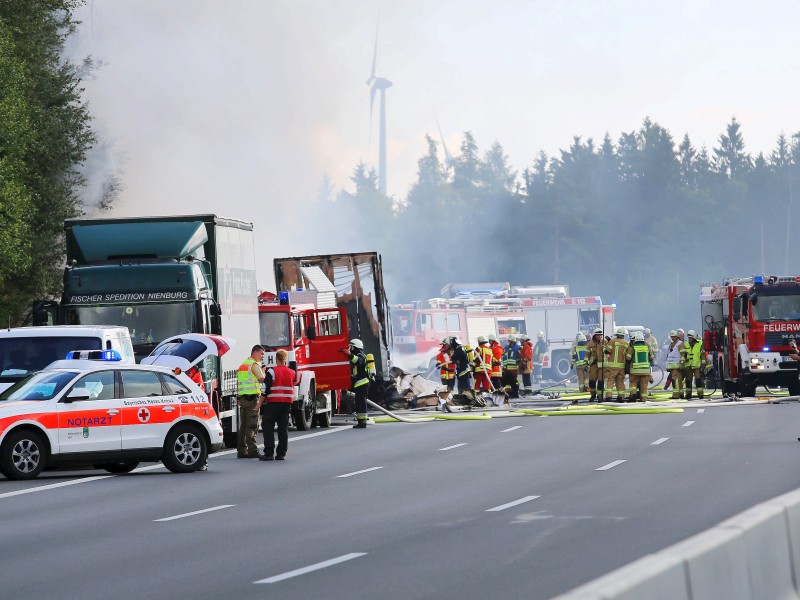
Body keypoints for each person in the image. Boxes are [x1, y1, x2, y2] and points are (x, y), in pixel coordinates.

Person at [258, 349, 294, 460]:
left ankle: (269, 453)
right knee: (283, 428)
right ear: (285, 359)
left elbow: (265, 390)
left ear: (276, 358)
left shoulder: (272, 372)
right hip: (287, 404)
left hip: (273, 403)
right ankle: (281, 453)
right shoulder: (292, 372)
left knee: (268, 426)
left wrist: (259, 404)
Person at [237, 345, 266, 458]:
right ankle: (253, 450)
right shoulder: (254, 365)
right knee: (252, 425)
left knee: (243, 426)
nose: (262, 356)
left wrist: (239, 397)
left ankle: (242, 451)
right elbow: (261, 380)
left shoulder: (243, 364)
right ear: (255, 352)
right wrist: (264, 372)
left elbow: (241, 383)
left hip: (243, 399)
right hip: (252, 399)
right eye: (261, 353)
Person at [341, 338, 370, 428]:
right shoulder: (357, 355)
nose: (350, 348)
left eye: (351, 347)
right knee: (358, 403)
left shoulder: (361, 355)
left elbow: (358, 361)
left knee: (361, 403)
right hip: (360, 384)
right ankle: (361, 422)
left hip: (363, 384)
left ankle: (362, 422)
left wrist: (349, 354)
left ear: (355, 347)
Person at [626, 331, 654, 402]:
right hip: (645, 371)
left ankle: (633, 395)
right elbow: (651, 358)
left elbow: (628, 358)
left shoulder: (632, 347)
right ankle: (643, 399)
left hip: (635, 370)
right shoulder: (647, 347)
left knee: (633, 384)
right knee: (644, 386)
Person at [603, 327, 629, 401]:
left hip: (612, 366)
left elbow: (607, 351)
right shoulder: (626, 343)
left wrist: (606, 346)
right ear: (623, 335)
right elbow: (628, 356)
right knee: (620, 381)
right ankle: (621, 396)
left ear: (617, 334)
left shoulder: (613, 341)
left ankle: (608, 396)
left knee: (610, 380)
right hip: (621, 367)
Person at [684, 330, 708, 400]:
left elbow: (703, 355)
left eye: (690, 337)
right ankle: (688, 394)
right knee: (688, 381)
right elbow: (684, 354)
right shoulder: (686, 344)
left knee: (698, 380)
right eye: (688, 337)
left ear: (694, 338)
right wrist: (684, 360)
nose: (689, 339)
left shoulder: (700, 344)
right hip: (689, 366)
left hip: (697, 366)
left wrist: (703, 365)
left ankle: (700, 394)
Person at [665, 330, 686, 399]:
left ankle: (676, 395)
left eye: (674, 337)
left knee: (675, 380)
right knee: (678, 380)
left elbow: (683, 354)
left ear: (677, 336)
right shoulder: (672, 344)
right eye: (671, 337)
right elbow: (670, 355)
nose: (672, 338)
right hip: (672, 365)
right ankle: (681, 394)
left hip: (677, 365)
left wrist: (682, 364)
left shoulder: (680, 344)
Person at [585, 328, 605, 401]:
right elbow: (587, 355)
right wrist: (585, 364)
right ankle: (593, 395)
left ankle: (600, 396)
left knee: (600, 382)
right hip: (593, 365)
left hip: (602, 366)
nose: (600, 336)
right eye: (598, 335)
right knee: (592, 381)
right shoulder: (590, 344)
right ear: (594, 335)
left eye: (601, 335)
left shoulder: (604, 342)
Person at [501, 334, 521, 399]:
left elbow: (520, 357)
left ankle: (515, 393)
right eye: (508, 341)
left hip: (514, 368)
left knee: (514, 381)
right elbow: (503, 356)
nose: (508, 342)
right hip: (506, 368)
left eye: (509, 341)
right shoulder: (506, 348)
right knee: (507, 382)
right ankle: (508, 394)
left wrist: (519, 364)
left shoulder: (518, 348)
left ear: (513, 341)